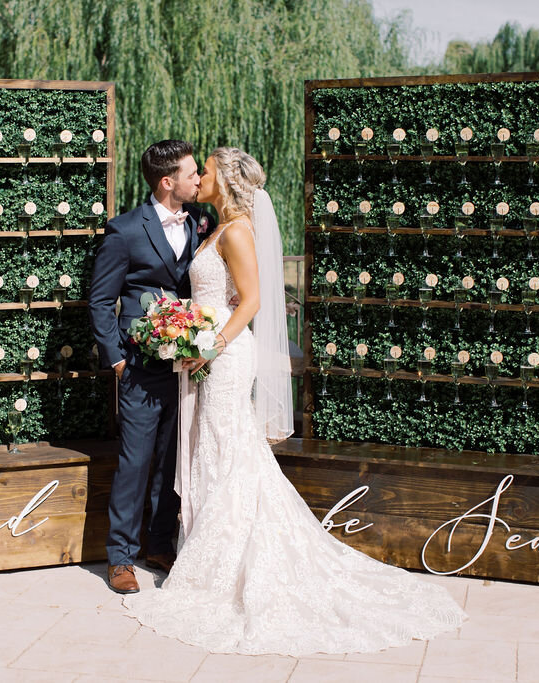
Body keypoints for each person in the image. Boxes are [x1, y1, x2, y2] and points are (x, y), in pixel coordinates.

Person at [123, 147, 466, 655]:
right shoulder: (213, 226)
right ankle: (207, 554)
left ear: (229, 181)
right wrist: (185, 333)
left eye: (208, 171)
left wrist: (211, 343)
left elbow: (254, 299)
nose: (201, 177)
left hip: (225, 356)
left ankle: (225, 566)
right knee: (212, 450)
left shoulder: (236, 232)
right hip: (202, 354)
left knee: (225, 448)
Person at [88, 139, 212, 594]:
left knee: (172, 459)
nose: (198, 179)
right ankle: (119, 556)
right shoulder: (124, 230)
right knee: (135, 460)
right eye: (191, 173)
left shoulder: (204, 221)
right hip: (139, 364)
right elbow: (102, 299)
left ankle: (160, 544)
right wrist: (117, 360)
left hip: (189, 362)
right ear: (167, 182)